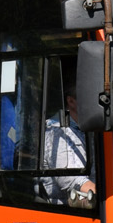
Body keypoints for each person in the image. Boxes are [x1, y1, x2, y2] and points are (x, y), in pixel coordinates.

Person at [40, 70, 95, 208]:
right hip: (65, 214)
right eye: (89, 97)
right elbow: (71, 179)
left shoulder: (90, 127)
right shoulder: (57, 131)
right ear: (71, 101)